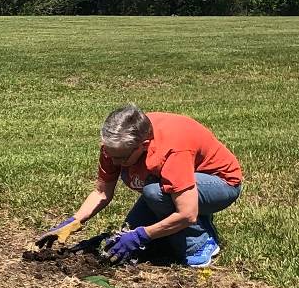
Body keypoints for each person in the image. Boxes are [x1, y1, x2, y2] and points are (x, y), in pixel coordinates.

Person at [36, 105, 243, 268]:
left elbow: (187, 213)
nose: (114, 162)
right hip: (170, 183)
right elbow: (101, 192)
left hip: (220, 183)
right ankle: (178, 229)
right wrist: (74, 221)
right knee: (123, 243)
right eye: (110, 155)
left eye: (121, 158)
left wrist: (141, 235)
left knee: (154, 194)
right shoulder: (116, 146)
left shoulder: (171, 150)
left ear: (143, 146)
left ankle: (201, 243)